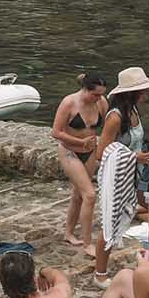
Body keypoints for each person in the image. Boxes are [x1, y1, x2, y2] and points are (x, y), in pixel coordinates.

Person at [92, 67, 149, 285]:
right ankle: (100, 274)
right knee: (110, 223)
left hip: (139, 174)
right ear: (133, 93)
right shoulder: (115, 118)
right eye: (143, 91)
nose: (146, 95)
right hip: (120, 177)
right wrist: (134, 157)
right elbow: (102, 153)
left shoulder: (134, 112)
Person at [53, 74, 105, 255]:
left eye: (101, 95)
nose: (98, 98)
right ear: (86, 90)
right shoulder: (69, 103)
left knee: (78, 194)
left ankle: (68, 233)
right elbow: (56, 132)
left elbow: (107, 125)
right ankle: (87, 243)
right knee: (89, 195)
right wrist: (80, 142)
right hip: (70, 151)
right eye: (95, 95)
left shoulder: (100, 103)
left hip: (89, 152)